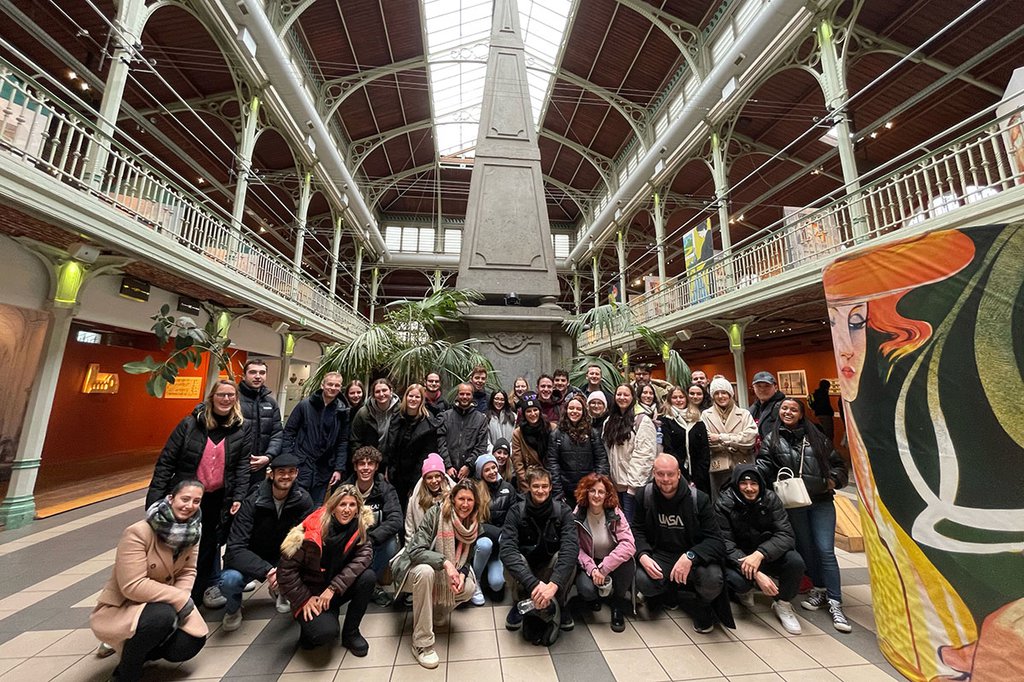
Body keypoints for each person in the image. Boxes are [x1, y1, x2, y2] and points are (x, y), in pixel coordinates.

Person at [147, 380, 251, 607]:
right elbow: (166, 461)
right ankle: (169, 595)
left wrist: (238, 497)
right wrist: (154, 500)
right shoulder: (190, 424)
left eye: (230, 395)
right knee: (177, 544)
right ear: (212, 397)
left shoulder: (241, 429)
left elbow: (242, 467)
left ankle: (196, 595)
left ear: (236, 399)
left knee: (206, 546)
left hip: (217, 499)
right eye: (221, 394)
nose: (226, 399)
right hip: (187, 499)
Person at [91, 480, 208, 681]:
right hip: (128, 604)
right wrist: (179, 599)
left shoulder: (193, 531)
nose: (190, 506)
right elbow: (132, 586)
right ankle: (127, 670)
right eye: (185, 499)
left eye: (196, 501)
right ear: (171, 498)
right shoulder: (138, 532)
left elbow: (188, 571)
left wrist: (181, 596)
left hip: (167, 601)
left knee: (191, 643)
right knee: (161, 617)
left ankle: (143, 650)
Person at [757, 398, 852, 632]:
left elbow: (838, 465)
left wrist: (831, 481)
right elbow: (764, 465)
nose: (787, 412)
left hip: (821, 501)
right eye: (784, 409)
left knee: (825, 550)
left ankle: (835, 601)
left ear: (801, 413)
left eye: (793, 409)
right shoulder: (772, 439)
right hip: (793, 503)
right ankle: (819, 589)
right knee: (806, 549)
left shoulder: (816, 436)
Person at [633, 455, 734, 633]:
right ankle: (667, 593)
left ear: (679, 474)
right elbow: (637, 530)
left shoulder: (699, 499)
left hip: (693, 554)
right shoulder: (645, 495)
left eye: (670, 474)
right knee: (642, 580)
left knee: (713, 580)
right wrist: (642, 555)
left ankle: (703, 605)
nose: (665, 480)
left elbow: (717, 541)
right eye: (660, 474)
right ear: (653, 473)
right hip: (662, 553)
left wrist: (691, 556)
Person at [392, 479, 484, 669]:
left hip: (441, 572)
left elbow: (468, 558)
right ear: (453, 498)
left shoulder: (473, 524)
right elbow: (415, 551)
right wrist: (446, 563)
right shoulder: (437, 514)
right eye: (461, 499)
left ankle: (437, 612)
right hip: (412, 568)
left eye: (469, 500)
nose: (465, 504)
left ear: (475, 503)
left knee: (468, 587)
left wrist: (463, 574)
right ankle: (421, 644)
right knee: (426, 573)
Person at [220, 453, 315, 630]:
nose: (286, 476)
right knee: (229, 580)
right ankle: (233, 609)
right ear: (271, 474)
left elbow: (305, 539)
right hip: (251, 555)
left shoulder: (303, 500)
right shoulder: (253, 501)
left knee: (309, 564)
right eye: (281, 472)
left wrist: (284, 568)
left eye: (291, 472)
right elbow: (235, 548)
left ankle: (281, 590)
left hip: (281, 556)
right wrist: (269, 571)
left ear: (296, 474)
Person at [277, 484, 375, 654]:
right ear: (333, 507)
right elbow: (285, 572)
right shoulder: (311, 531)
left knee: (368, 577)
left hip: (334, 589)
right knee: (323, 635)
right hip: (311, 593)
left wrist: (333, 588)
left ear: (358, 509)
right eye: (342, 504)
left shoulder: (359, 528)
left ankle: (351, 633)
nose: (347, 510)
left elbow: (364, 557)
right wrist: (303, 599)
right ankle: (314, 624)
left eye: (352, 505)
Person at [715, 464, 805, 634]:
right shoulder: (723, 504)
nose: (749, 488)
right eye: (744, 483)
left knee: (795, 562)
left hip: (765, 554)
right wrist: (755, 574)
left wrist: (761, 554)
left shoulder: (771, 499)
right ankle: (743, 590)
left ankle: (783, 604)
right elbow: (725, 544)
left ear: (761, 485)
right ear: (736, 484)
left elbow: (786, 534)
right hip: (739, 558)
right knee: (740, 582)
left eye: (754, 484)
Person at [500, 467, 579, 640]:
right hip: (526, 572)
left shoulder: (564, 511)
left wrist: (554, 584)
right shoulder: (515, 511)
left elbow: (571, 547)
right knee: (513, 559)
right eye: (536, 486)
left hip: (551, 571)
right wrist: (534, 584)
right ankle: (521, 602)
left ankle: (559, 603)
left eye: (544, 486)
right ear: (528, 486)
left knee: (566, 557)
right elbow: (506, 549)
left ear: (551, 487)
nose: (540, 490)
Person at [572, 473, 635, 633]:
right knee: (586, 590)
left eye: (601, 492)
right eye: (592, 491)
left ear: (607, 494)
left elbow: (629, 544)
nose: (596, 495)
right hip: (590, 563)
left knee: (627, 562)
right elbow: (575, 547)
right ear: (585, 491)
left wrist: (604, 568)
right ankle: (595, 597)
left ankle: (617, 603)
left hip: (612, 562)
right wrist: (593, 569)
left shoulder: (615, 512)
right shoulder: (578, 513)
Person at [345, 446, 402, 606]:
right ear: (355, 466)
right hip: (350, 541)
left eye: (370, 464)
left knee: (391, 545)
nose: (365, 468)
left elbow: (396, 519)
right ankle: (357, 583)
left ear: (376, 466)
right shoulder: (345, 488)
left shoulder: (385, 488)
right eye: (361, 463)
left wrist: (371, 539)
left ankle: (368, 583)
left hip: (375, 540)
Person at [283, 372, 349, 505]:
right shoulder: (305, 405)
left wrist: (338, 469)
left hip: (324, 468)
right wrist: (289, 459)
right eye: (330, 384)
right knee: (295, 504)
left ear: (340, 387)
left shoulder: (342, 411)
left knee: (316, 507)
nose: (333, 388)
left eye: (337, 385)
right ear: (322, 385)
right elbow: (289, 432)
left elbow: (342, 442)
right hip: (301, 464)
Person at [603, 384, 657, 521]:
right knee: (619, 526)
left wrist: (632, 486)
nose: (622, 398)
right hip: (615, 485)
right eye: (619, 394)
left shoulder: (642, 421)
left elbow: (645, 455)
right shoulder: (609, 422)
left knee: (631, 525)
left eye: (626, 394)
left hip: (632, 487)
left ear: (633, 397)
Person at [382, 383, 439, 513]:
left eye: (417, 397)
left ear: (422, 400)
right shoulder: (397, 416)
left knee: (409, 510)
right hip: (394, 473)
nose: (413, 399)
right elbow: (390, 446)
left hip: (414, 476)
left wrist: (415, 483)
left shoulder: (429, 423)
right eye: (410, 396)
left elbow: (425, 456)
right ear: (406, 397)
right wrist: (387, 468)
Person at [546, 394, 609, 506]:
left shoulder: (592, 433)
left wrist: (597, 485)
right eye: (571, 408)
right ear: (566, 410)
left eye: (578, 409)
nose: (574, 411)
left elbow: (601, 460)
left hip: (588, 489)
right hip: (565, 491)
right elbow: (552, 464)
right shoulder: (556, 434)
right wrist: (558, 492)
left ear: (584, 411)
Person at [701, 377, 757, 501]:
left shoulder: (744, 414)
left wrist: (721, 438)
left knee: (746, 501)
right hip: (719, 468)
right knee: (721, 505)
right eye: (716, 393)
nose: (721, 396)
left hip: (743, 465)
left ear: (730, 394)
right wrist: (737, 443)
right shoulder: (706, 415)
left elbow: (750, 439)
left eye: (724, 392)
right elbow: (707, 442)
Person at [473, 451, 516, 603]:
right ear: (481, 473)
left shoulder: (508, 488)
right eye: (487, 469)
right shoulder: (475, 491)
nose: (492, 472)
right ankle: (475, 580)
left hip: (501, 545)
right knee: (485, 544)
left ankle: (492, 577)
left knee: (497, 584)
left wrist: (504, 535)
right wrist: (499, 534)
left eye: (493, 467)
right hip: (482, 542)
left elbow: (514, 517)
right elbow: (476, 524)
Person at [237, 359, 284, 488]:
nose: (258, 376)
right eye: (253, 372)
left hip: (260, 466)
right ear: (244, 375)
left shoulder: (270, 403)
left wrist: (268, 457)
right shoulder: (233, 399)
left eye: (262, 373)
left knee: (253, 502)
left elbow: (277, 434)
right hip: (235, 466)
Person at [660, 384, 712, 495]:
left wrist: (699, 476)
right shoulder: (665, 421)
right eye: (675, 397)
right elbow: (668, 449)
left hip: (699, 475)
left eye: (681, 397)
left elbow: (705, 450)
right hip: (676, 474)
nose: (678, 400)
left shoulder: (698, 420)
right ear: (670, 400)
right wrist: (683, 475)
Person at [436, 382, 490, 480]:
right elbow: (441, 443)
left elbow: (481, 446)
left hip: (471, 474)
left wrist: (468, 466)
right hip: (447, 473)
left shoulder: (480, 419)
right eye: (462, 394)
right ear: (457, 395)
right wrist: (448, 466)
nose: (464, 397)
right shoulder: (446, 417)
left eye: (468, 394)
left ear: (472, 396)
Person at [405, 453, 456, 539]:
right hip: (423, 542)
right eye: (429, 477)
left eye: (437, 476)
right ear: (424, 480)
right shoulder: (414, 500)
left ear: (443, 477)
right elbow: (410, 530)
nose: (434, 481)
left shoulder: (455, 495)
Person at [510, 396, 550, 493]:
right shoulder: (518, 433)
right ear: (524, 414)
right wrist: (528, 487)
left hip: (548, 479)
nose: (532, 414)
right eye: (528, 411)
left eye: (535, 410)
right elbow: (518, 463)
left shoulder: (551, 428)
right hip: (528, 480)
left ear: (540, 411)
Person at [349, 377, 399, 452]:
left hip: (392, 460)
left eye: (384, 390)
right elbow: (355, 440)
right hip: (369, 460)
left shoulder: (400, 411)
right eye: (377, 391)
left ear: (391, 391)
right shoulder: (363, 413)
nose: (381, 394)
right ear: (373, 395)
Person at [749, 371, 786, 439]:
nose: (762, 389)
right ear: (753, 388)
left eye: (767, 386)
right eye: (758, 386)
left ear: (776, 388)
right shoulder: (753, 408)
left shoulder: (784, 407)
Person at [809, 379, 835, 443]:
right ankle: (828, 449)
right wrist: (831, 412)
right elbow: (826, 405)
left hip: (818, 414)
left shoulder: (816, 393)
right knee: (828, 433)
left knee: (822, 432)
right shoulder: (824, 393)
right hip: (826, 414)